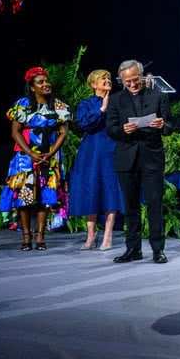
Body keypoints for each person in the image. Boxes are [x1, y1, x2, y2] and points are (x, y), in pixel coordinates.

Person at [106, 60, 173, 264]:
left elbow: (170, 126)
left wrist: (162, 125)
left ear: (142, 77)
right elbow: (111, 129)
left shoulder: (158, 96)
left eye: (135, 80)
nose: (132, 84)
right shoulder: (116, 100)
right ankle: (133, 249)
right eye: (127, 82)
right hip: (126, 158)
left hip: (151, 158)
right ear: (122, 81)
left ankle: (157, 250)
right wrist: (122, 131)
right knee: (131, 206)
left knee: (154, 205)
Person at [0, 67, 72, 251]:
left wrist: (50, 153)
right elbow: (15, 132)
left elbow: (63, 133)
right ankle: (26, 236)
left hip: (50, 156)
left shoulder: (58, 106)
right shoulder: (23, 105)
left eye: (46, 81)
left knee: (45, 197)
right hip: (25, 158)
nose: (46, 84)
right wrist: (31, 154)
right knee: (25, 198)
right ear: (32, 87)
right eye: (40, 82)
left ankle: (40, 235)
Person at [68, 69, 124, 251]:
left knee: (110, 189)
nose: (107, 80)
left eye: (109, 78)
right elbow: (85, 123)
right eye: (103, 78)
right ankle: (91, 234)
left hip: (110, 150)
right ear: (93, 84)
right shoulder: (85, 104)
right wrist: (102, 108)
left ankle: (107, 235)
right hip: (90, 152)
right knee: (90, 189)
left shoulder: (118, 102)